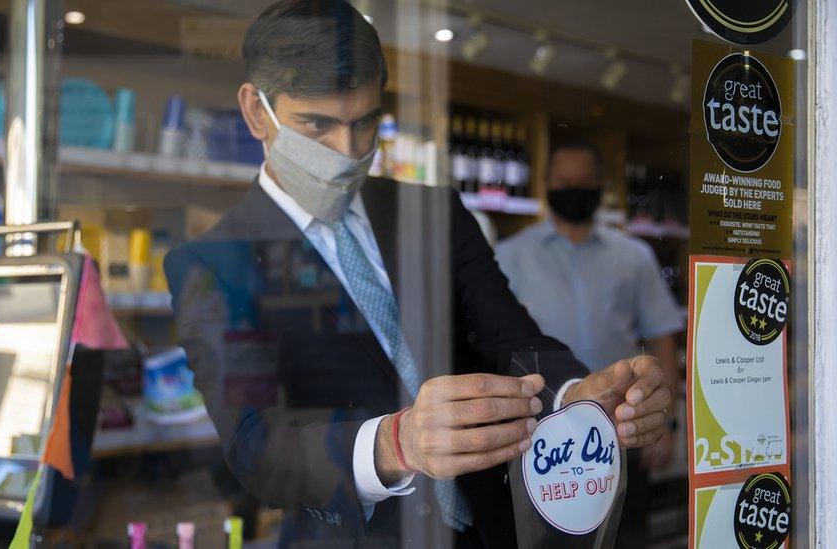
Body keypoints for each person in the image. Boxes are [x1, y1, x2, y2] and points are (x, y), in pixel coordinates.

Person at [164, 2, 671, 546]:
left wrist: (578, 396)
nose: (348, 150)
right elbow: (256, 444)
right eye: (317, 125)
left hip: (490, 527)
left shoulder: (434, 215)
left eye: (365, 122)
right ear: (256, 110)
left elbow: (510, 339)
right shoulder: (214, 263)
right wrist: (394, 444)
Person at [494, 142, 684, 547]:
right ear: (546, 185)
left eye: (585, 182)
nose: (574, 189)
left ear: (601, 187)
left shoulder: (634, 257)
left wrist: (666, 421)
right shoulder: (508, 257)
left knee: (625, 537)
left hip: (620, 430)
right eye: (565, 182)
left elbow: (661, 335)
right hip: (537, 435)